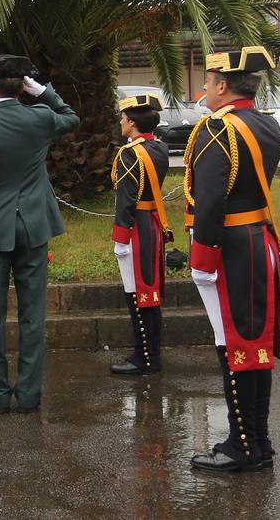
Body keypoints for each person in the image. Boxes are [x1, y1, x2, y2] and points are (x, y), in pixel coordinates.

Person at [0, 55, 79, 414]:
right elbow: (71, 118)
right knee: (32, 313)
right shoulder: (40, 117)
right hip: (33, 226)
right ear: (23, 85)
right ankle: (29, 394)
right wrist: (44, 92)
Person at [184, 47, 280, 472]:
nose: (203, 89)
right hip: (258, 239)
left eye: (207, 81)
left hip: (229, 247)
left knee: (234, 346)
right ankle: (257, 441)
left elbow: (209, 200)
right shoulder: (266, 123)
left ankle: (242, 445)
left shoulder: (217, 130)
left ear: (223, 85)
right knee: (255, 344)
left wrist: (201, 257)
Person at [107, 92, 170, 376]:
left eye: (123, 118)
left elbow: (126, 198)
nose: (121, 122)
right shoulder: (159, 148)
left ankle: (144, 358)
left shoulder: (130, 153)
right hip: (153, 224)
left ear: (131, 123)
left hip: (136, 230)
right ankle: (150, 355)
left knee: (137, 296)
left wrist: (120, 238)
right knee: (150, 295)